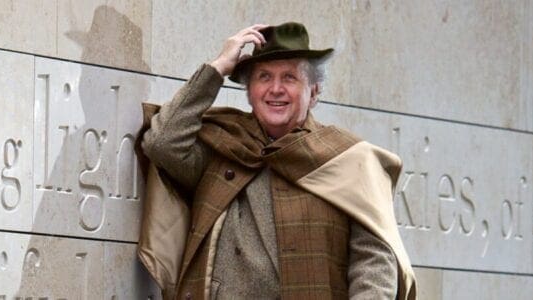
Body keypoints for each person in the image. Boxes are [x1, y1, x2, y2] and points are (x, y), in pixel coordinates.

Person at [137, 22, 417, 299]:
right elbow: (162, 143)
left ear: (314, 91)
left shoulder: (347, 160)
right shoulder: (222, 149)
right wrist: (218, 68)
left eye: (290, 78)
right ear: (249, 92)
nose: (276, 89)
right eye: (264, 77)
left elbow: (374, 264)